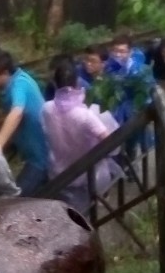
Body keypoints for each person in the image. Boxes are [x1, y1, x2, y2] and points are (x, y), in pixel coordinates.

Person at [43, 58, 122, 215]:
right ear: (77, 83)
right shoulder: (85, 115)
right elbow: (111, 142)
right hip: (86, 175)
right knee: (85, 215)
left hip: (59, 174)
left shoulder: (46, 109)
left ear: (54, 83)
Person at [0, 49, 50, 195]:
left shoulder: (20, 84)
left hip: (40, 159)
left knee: (15, 201)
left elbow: (17, 113)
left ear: (5, 73)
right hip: (32, 155)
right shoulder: (15, 82)